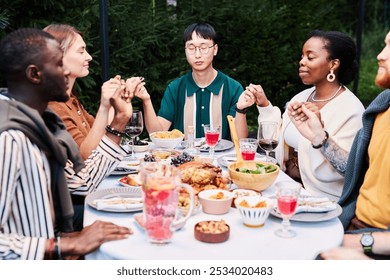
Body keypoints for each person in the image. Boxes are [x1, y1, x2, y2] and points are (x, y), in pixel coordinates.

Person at [0, 28, 133, 260]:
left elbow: (84, 183)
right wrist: (62, 246)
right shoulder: (9, 137)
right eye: (59, 65)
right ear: (34, 74)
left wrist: (119, 121)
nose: (67, 73)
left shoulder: (40, 124)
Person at [291, 31, 390, 260]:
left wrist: (364, 243)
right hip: (352, 221)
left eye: (389, 47)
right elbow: (356, 172)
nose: (379, 55)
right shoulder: (381, 109)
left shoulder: (353, 109)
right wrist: (319, 138)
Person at [248, 30, 365, 201]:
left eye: (310, 57)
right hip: (285, 187)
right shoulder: (301, 98)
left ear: (333, 64)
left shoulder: (351, 110)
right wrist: (264, 105)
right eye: (302, 56)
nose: (302, 62)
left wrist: (321, 138)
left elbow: (351, 168)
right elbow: (276, 139)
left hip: (322, 199)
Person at [133, 23, 252, 140]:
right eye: (191, 48)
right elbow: (157, 134)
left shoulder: (233, 88)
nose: (197, 54)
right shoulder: (175, 88)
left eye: (204, 48)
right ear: (185, 50)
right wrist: (146, 100)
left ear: (215, 49)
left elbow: (240, 140)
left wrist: (240, 109)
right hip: (185, 159)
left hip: (221, 159)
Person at [44, 24, 144, 160]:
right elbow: (85, 158)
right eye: (81, 51)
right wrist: (104, 107)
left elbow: (100, 137)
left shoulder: (71, 100)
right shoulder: (52, 107)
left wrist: (116, 100)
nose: (89, 57)